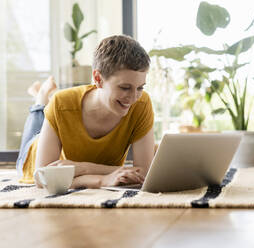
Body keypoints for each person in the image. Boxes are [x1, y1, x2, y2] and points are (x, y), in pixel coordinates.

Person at [17, 35, 155, 189]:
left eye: (140, 87)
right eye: (124, 88)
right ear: (98, 78)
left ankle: (42, 100)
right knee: (38, 118)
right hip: (30, 157)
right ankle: (41, 98)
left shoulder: (141, 104)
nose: (133, 97)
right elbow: (44, 178)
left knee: (51, 109)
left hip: (68, 151)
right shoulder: (60, 103)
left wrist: (83, 168)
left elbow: (144, 174)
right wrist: (102, 180)